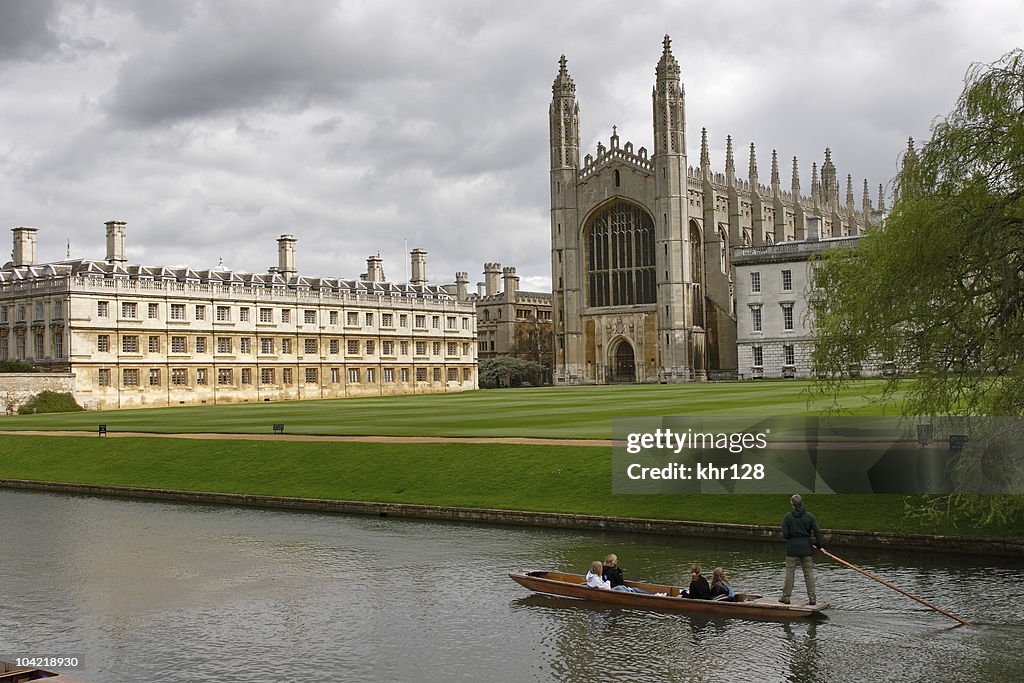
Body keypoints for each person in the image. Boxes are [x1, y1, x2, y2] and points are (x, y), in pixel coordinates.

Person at [780, 493, 824, 605]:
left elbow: (785, 534)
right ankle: (812, 598)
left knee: (790, 572)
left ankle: (786, 596)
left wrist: (792, 537)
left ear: (792, 504)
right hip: (806, 548)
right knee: (809, 573)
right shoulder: (810, 516)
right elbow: (817, 532)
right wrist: (819, 545)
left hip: (792, 548)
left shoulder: (787, 517)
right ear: (802, 503)